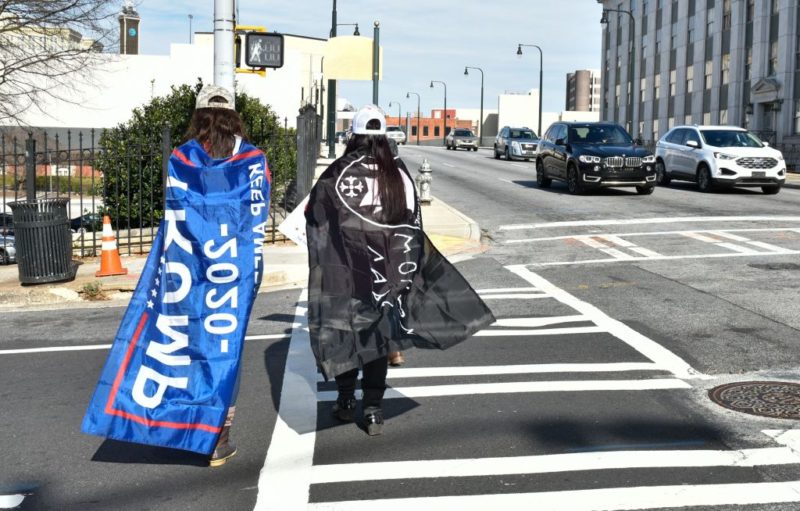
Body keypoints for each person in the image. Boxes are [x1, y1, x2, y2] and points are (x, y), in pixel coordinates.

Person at [305, 105, 494, 436]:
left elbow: (315, 214)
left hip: (347, 270)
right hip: (386, 272)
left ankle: (346, 401)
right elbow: (412, 224)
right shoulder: (398, 174)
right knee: (378, 338)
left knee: (345, 332)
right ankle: (374, 410)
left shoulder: (336, 173)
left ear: (354, 136)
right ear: (384, 137)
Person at [183, 84, 262, 466]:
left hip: (193, 265)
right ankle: (221, 434)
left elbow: (174, 216)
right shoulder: (252, 158)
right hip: (238, 265)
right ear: (235, 117)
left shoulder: (183, 157)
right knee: (228, 345)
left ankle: (195, 426)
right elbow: (257, 216)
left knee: (196, 340)